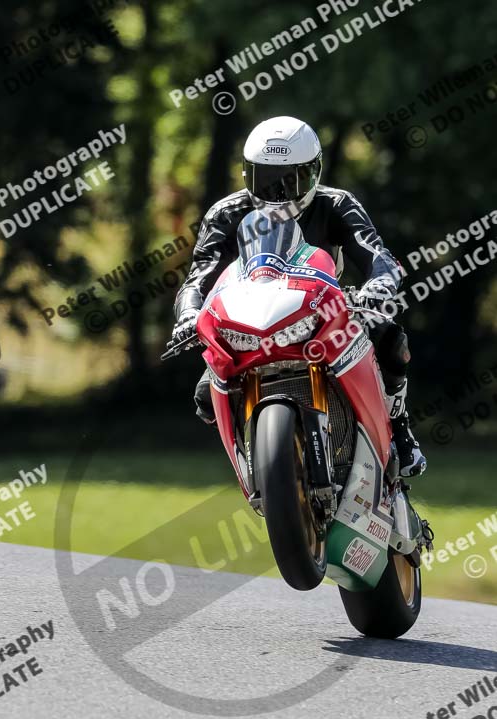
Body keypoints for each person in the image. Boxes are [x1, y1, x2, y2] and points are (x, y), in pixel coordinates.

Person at [171, 116, 426, 477]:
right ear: (247, 175)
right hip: (248, 322)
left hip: (323, 314)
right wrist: (189, 315)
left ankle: (399, 429)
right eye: (267, 180)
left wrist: (378, 287)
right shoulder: (225, 214)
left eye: (290, 181)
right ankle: (256, 457)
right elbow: (197, 278)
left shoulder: (337, 203)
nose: (278, 195)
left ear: (315, 171)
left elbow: (376, 254)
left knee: (390, 338)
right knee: (205, 398)